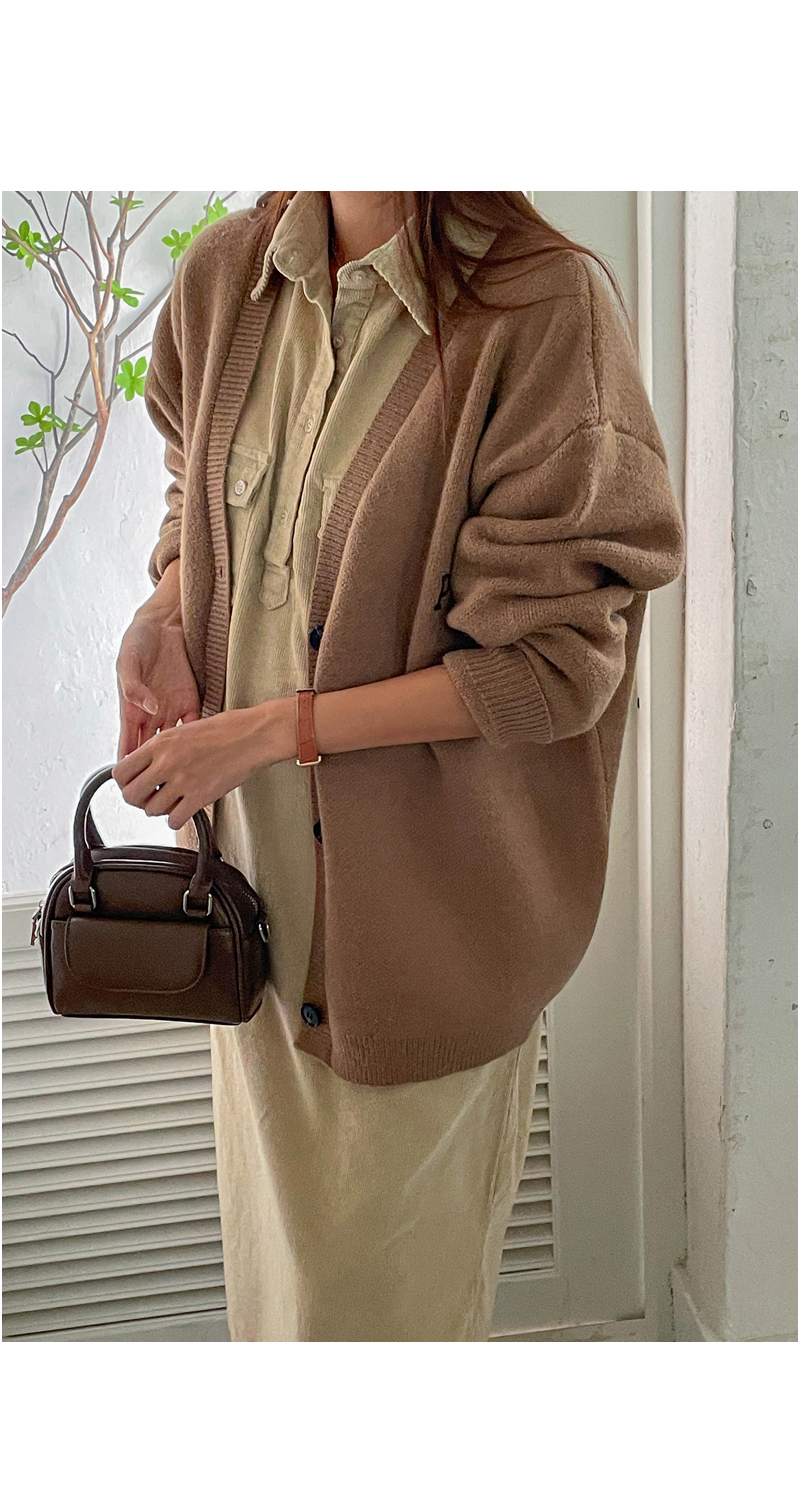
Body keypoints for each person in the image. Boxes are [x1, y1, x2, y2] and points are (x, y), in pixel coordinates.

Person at [112, 191, 686, 1341]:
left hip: (426, 917)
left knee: (379, 1325)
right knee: (281, 1311)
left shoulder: (539, 306)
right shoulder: (228, 276)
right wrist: (164, 613)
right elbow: (199, 493)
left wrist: (266, 730)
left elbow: (549, 669)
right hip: (251, 906)